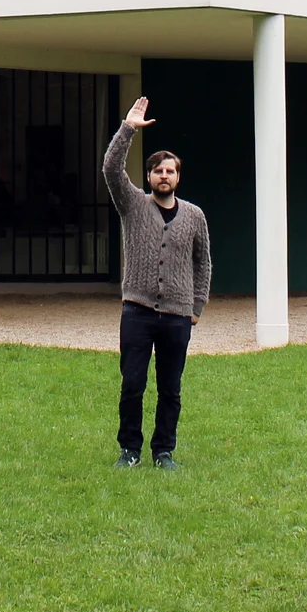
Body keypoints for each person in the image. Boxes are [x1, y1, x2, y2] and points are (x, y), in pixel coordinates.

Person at [102, 95, 211, 469]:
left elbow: (204, 263)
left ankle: (164, 451)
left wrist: (196, 308)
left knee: (171, 389)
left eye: (171, 171)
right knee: (132, 384)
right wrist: (128, 129)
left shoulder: (195, 216)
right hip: (137, 311)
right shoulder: (132, 205)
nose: (164, 176)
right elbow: (111, 169)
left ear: (178, 177)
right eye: (158, 171)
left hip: (178, 317)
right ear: (149, 177)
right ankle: (129, 450)